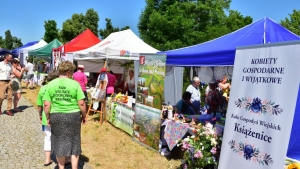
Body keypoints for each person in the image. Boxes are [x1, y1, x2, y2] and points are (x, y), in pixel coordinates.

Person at [43, 61, 87, 169]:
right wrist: (84, 115)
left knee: (59, 142)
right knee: (74, 142)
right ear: (68, 72)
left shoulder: (51, 84)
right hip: (73, 116)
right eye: (72, 72)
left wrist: (48, 117)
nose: (72, 74)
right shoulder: (75, 84)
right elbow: (81, 103)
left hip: (56, 116)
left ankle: (61, 167)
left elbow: (46, 104)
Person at [36, 70, 60, 166]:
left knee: (48, 137)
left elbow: (39, 105)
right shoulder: (59, 87)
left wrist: (40, 115)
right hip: (59, 115)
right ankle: (64, 159)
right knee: (61, 137)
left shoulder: (43, 88)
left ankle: (47, 159)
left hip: (47, 116)